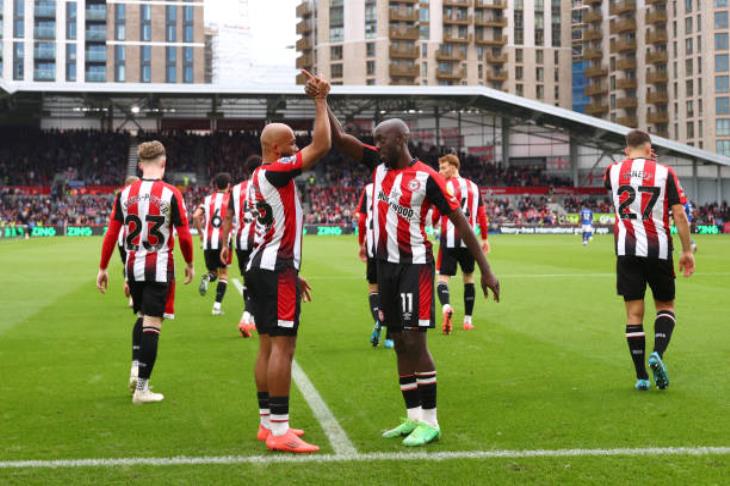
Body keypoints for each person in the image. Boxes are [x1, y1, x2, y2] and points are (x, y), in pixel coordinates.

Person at [316, 89, 500, 447]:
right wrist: (322, 100)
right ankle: (413, 417)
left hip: (414, 267)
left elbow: (461, 222)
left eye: (381, 139)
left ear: (401, 139)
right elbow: (339, 139)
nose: (376, 145)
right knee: (398, 341)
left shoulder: (427, 178)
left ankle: (431, 421)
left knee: (416, 340)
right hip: (384, 267)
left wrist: (487, 270)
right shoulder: (377, 166)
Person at [222, 70, 331, 453]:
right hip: (275, 267)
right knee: (283, 347)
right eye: (291, 142)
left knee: (267, 346)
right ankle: (281, 431)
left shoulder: (254, 177)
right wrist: (320, 100)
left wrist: (291, 272)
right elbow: (323, 145)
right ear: (276, 149)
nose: (296, 146)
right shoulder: (276, 171)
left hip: (262, 264)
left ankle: (268, 424)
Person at [97, 141, 195, 404]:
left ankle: (134, 368)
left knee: (142, 317)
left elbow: (111, 233)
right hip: (159, 267)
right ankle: (142, 388)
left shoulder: (125, 194)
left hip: (132, 268)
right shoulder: (171, 192)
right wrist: (190, 263)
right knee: (153, 323)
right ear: (163, 163)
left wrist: (103, 267)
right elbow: (184, 235)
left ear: (140, 164)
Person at [604, 129, 695, 391]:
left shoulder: (612, 170)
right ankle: (658, 353)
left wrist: (635, 164)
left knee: (634, 314)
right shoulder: (665, 173)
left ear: (625, 150)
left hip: (626, 250)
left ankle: (641, 376)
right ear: (650, 148)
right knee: (666, 306)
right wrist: (687, 251)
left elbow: (622, 181)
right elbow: (679, 214)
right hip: (659, 248)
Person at [431, 154, 490, 333]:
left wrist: (431, 225)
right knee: (469, 278)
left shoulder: (444, 186)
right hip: (469, 241)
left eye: (443, 168)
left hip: (448, 238)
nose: (440, 171)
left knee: (442, 278)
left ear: (454, 167)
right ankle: (467, 321)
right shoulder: (474, 187)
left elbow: (436, 213)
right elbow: (482, 216)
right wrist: (485, 239)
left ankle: (446, 307)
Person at [221, 171, 259, 338]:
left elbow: (228, 217)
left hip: (241, 242)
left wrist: (225, 245)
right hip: (260, 240)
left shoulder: (235, 189)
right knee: (261, 283)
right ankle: (247, 318)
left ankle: (250, 319)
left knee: (248, 281)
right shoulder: (266, 184)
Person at [356, 182, 393, 349]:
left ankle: (379, 320)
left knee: (373, 287)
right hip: (395, 244)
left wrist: (361, 243)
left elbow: (362, 218)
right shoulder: (400, 184)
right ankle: (390, 338)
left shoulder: (370, 188)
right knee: (394, 289)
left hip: (373, 244)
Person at [193, 173, 232, 316]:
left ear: (216, 185)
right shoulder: (230, 199)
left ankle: (207, 278)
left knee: (213, 272)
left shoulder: (208, 199)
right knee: (223, 275)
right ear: (228, 185)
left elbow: (196, 215)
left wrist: (201, 233)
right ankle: (216, 307)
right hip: (224, 242)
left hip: (208, 242)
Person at [117, 176, 140, 308]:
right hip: (128, 238)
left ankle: (131, 288)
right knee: (132, 264)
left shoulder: (122, 198)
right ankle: (132, 292)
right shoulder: (125, 198)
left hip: (126, 238)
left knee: (130, 264)